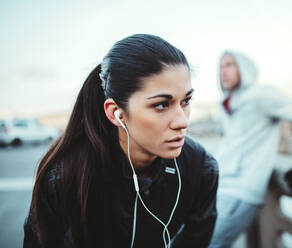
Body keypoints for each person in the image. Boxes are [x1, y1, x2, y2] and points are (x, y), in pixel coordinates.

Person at [23, 34, 218, 248]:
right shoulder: (67, 175)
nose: (182, 121)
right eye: (162, 105)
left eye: (186, 101)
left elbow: (196, 240)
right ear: (116, 112)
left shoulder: (200, 168)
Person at [209, 51, 292, 247]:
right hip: (219, 188)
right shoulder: (227, 104)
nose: (223, 71)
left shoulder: (262, 95)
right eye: (221, 66)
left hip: (242, 193)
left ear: (244, 67)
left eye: (230, 65)